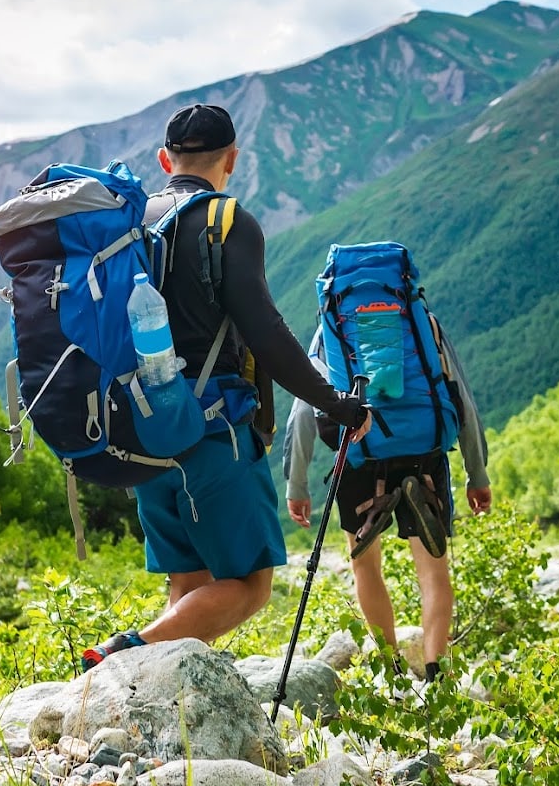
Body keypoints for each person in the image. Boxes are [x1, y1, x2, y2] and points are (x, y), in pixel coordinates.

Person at [82, 103, 371, 669]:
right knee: (248, 585)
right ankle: (125, 654)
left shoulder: (132, 225)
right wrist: (333, 402)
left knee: (188, 588)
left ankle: (165, 713)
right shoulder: (226, 221)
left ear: (166, 159)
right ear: (232, 159)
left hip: (143, 432)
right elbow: (264, 330)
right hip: (212, 434)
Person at [283, 317, 491, 683]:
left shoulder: (331, 323)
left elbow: (304, 407)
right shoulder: (421, 320)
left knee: (366, 567)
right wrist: (477, 473)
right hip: (422, 450)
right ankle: (437, 678)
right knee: (433, 574)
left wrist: (296, 483)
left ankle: (392, 674)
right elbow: (461, 396)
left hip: (359, 451)